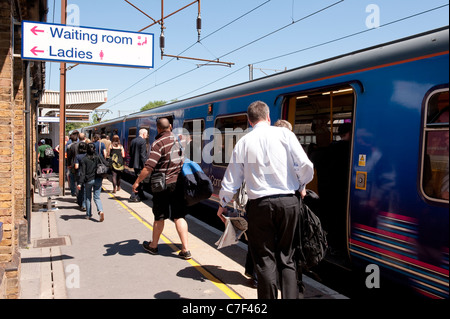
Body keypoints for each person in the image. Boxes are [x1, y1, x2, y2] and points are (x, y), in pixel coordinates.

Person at [216, 101, 314, 299]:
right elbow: (305, 165)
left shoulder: (244, 142)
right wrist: (302, 186)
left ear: (249, 121)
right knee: (287, 257)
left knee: (264, 259)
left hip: (259, 206)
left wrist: (223, 202)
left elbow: (232, 178)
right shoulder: (286, 134)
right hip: (288, 203)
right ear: (268, 117)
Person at [132, 118, 191, 260]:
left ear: (158, 129)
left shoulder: (158, 143)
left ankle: (153, 246)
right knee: (179, 216)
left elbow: (149, 166)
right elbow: (182, 160)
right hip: (177, 183)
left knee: (159, 216)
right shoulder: (178, 141)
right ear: (170, 127)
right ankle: (185, 249)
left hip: (162, 185)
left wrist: (137, 182)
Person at [77, 143, 108, 221]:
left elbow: (83, 173)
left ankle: (88, 214)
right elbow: (106, 164)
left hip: (88, 180)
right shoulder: (98, 157)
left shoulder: (84, 159)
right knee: (97, 197)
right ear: (94, 149)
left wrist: (80, 183)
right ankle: (100, 210)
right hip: (98, 179)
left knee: (88, 197)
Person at [129, 128, 148, 202]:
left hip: (135, 164)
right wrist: (145, 165)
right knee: (138, 180)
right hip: (140, 164)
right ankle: (133, 196)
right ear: (143, 134)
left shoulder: (133, 140)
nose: (146, 136)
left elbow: (131, 152)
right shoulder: (143, 141)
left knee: (139, 179)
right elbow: (143, 155)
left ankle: (141, 195)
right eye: (146, 134)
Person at [74, 142, 88, 211]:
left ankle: (80, 202)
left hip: (80, 173)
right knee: (85, 190)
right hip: (87, 174)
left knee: (80, 189)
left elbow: (76, 167)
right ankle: (84, 204)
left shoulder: (78, 156)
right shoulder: (88, 155)